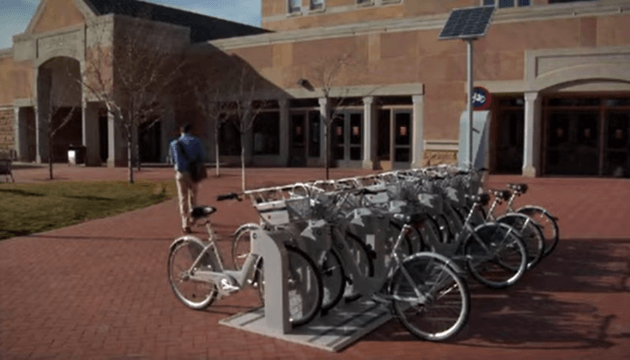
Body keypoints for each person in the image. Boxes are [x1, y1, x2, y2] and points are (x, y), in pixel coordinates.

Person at [169, 123, 205, 234]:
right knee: (193, 196)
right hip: (193, 172)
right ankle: (193, 217)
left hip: (180, 173)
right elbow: (201, 156)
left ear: (181, 131)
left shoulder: (174, 144)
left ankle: (185, 224)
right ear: (190, 131)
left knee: (183, 198)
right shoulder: (196, 141)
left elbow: (172, 160)